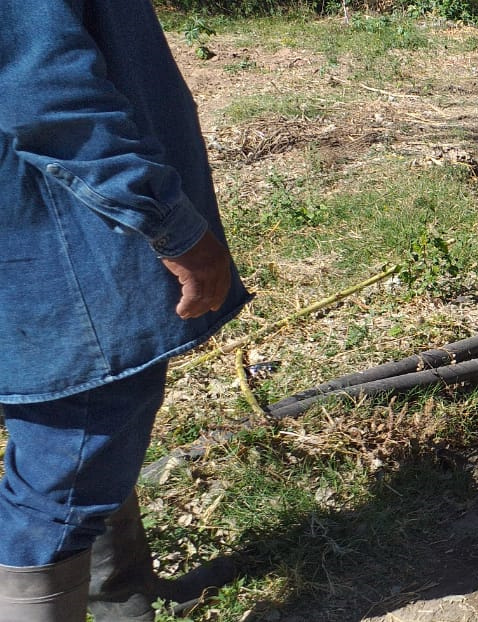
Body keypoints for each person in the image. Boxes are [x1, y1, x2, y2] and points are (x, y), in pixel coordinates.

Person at [0, 0, 252, 620]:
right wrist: (170, 224)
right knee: (67, 463)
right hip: (54, 235)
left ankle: (121, 602)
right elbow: (49, 93)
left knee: (82, 430)